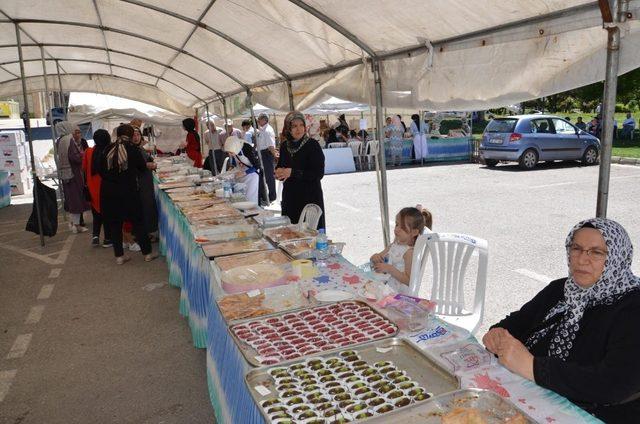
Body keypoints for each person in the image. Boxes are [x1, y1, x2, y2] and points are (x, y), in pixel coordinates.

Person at [482, 218, 640, 422]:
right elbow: (516, 323)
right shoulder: (561, 289)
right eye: (576, 248)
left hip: (594, 414)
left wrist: (533, 367)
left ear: (617, 258)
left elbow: (614, 384)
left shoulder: (632, 308)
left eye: (596, 252)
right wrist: (497, 333)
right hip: (532, 394)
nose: (582, 259)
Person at [98, 124, 157, 265]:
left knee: (115, 224)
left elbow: (100, 170)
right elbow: (142, 168)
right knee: (138, 222)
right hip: (128, 190)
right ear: (131, 135)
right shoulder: (132, 149)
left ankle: (119, 256)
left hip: (109, 191)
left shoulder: (108, 149)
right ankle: (147, 253)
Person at [275, 111, 325, 229]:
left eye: (301, 125)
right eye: (294, 126)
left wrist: (293, 172)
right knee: (291, 233)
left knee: (309, 234)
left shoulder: (312, 145)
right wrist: (278, 172)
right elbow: (281, 166)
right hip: (290, 197)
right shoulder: (284, 146)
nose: (299, 129)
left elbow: (318, 173)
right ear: (288, 128)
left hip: (309, 197)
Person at [370, 206, 432, 294]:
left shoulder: (409, 252)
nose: (396, 229)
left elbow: (409, 281)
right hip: (386, 287)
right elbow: (379, 257)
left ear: (414, 232)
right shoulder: (394, 245)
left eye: (402, 227)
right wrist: (375, 257)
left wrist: (390, 269)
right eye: (397, 224)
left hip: (399, 295)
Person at [55, 122, 90, 233]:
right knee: (76, 199)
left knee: (71, 199)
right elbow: (75, 157)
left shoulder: (60, 140)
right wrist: (83, 155)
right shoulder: (68, 139)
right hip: (73, 173)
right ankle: (76, 225)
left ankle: (72, 223)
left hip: (65, 174)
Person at [81, 129, 112, 247]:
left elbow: (83, 169)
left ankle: (95, 236)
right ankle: (108, 239)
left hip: (92, 187)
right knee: (108, 214)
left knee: (96, 213)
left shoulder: (88, 152)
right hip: (105, 186)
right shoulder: (109, 151)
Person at [132, 126, 158, 237]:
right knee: (145, 207)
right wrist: (149, 165)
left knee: (148, 206)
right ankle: (145, 234)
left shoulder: (139, 148)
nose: (136, 137)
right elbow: (137, 165)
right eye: (133, 135)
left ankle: (148, 232)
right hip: (141, 182)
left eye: (138, 135)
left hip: (146, 181)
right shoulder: (133, 149)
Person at [223, 135, 262, 205]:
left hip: (252, 175)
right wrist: (232, 166)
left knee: (250, 197)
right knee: (241, 197)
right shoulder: (235, 148)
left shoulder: (246, 148)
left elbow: (257, 166)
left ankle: (252, 212)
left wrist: (245, 173)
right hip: (242, 174)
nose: (230, 154)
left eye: (230, 152)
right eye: (228, 152)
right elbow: (236, 160)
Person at [256, 113, 278, 204]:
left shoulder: (267, 130)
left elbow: (270, 146)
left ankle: (272, 196)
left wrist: (275, 155)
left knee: (269, 176)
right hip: (262, 153)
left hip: (266, 153)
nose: (258, 121)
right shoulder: (262, 129)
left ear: (264, 120)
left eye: (259, 119)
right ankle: (263, 195)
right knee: (261, 176)